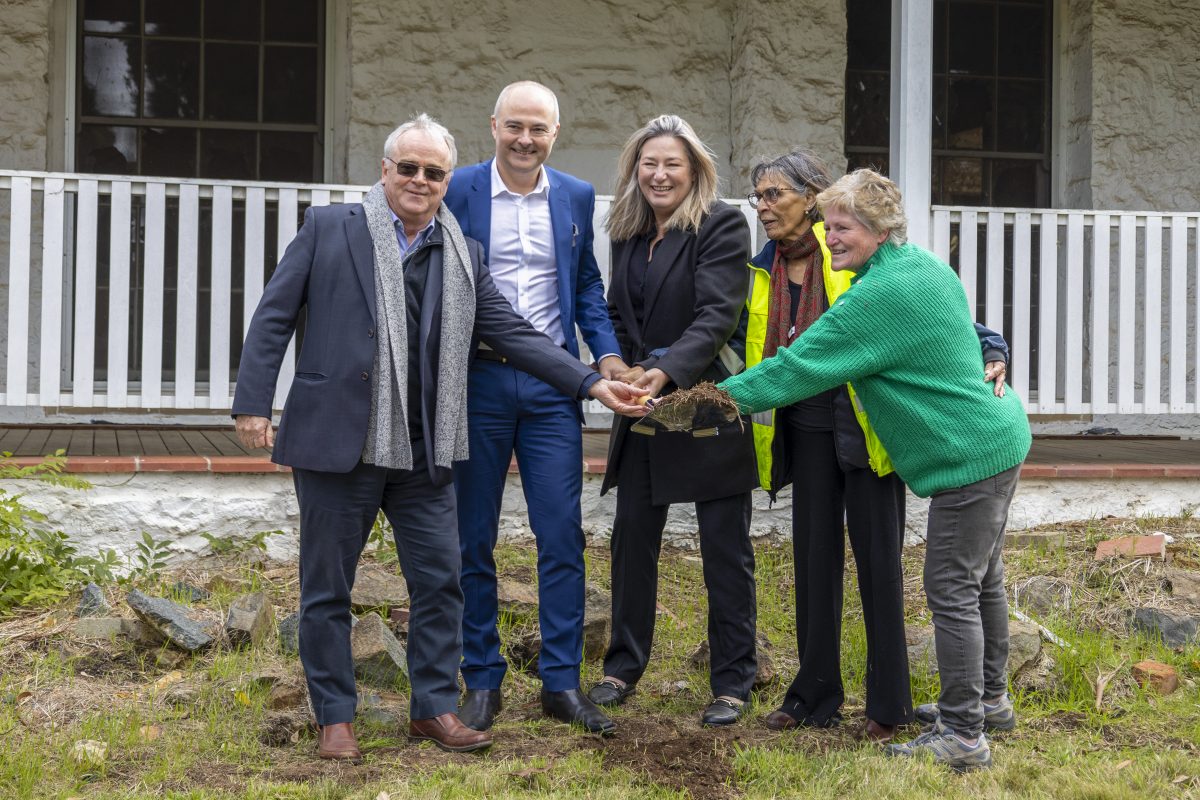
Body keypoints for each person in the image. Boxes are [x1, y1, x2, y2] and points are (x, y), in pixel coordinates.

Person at [232, 114, 645, 761]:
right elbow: (275, 313)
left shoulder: (462, 252)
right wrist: (252, 402)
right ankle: (335, 717)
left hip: (424, 449)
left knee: (441, 582)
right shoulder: (331, 228)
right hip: (340, 442)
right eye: (409, 168)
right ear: (385, 170)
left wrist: (590, 382)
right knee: (327, 588)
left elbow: (511, 331)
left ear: (448, 180)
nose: (420, 180)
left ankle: (433, 707)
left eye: (434, 171)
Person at [719, 169, 1031, 771]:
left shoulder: (880, 295)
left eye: (843, 227)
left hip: (967, 455)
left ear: (880, 229)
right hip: (993, 439)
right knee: (981, 579)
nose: (829, 237)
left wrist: (716, 399)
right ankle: (990, 702)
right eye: (827, 225)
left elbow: (796, 368)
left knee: (950, 588)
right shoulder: (922, 267)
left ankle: (964, 734)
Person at [443, 81, 628, 735]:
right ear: (493, 125)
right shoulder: (457, 188)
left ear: (556, 133)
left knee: (561, 536)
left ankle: (560, 683)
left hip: (555, 387)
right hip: (479, 382)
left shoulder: (575, 196)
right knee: (474, 538)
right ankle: (481, 679)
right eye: (515, 126)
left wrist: (604, 356)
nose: (526, 140)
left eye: (539, 129)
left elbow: (586, 287)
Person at [585, 114, 759, 727]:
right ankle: (621, 666)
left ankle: (734, 680)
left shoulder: (722, 224)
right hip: (639, 405)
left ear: (695, 172)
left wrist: (662, 371)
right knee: (632, 539)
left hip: (704, 403)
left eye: (672, 164)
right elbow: (612, 308)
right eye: (649, 163)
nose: (659, 174)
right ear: (636, 169)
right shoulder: (629, 229)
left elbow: (716, 316)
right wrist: (614, 364)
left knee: (724, 549)